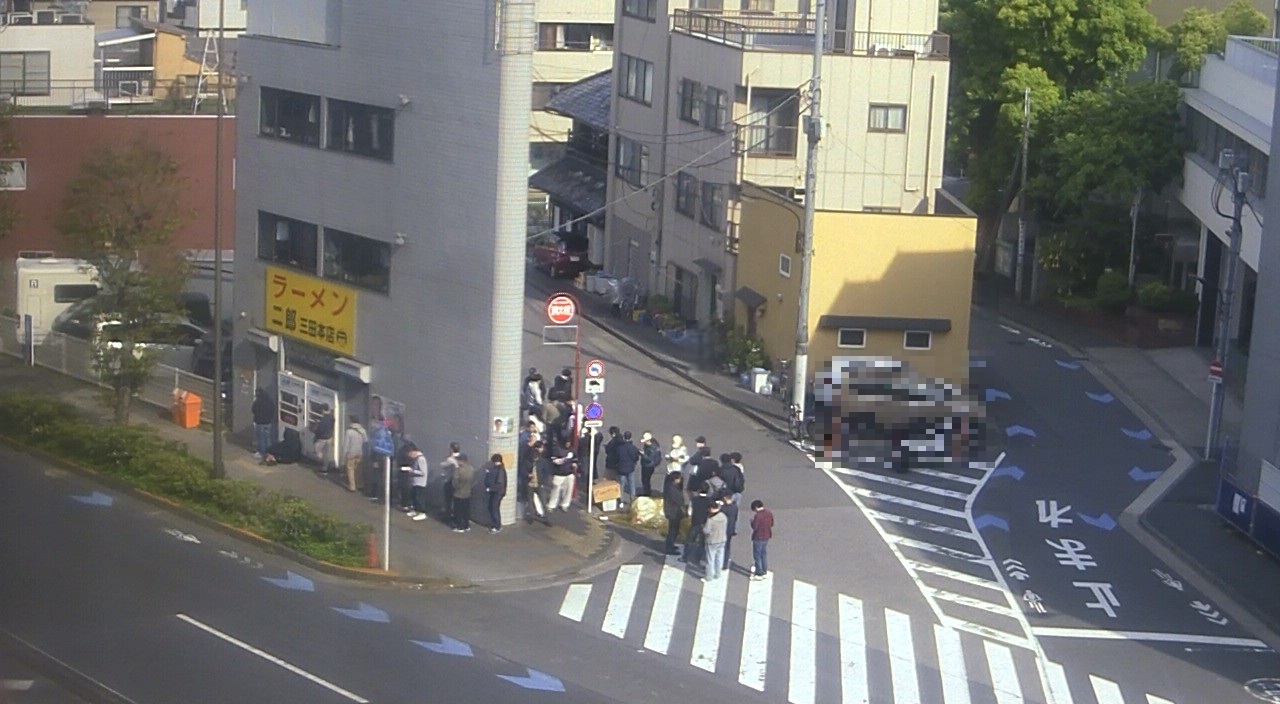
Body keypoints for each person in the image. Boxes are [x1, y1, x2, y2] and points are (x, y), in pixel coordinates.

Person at [662, 471, 687, 556]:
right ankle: (669, 547)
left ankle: (671, 545)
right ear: (675, 479)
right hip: (673, 512)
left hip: (672, 511)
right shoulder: (672, 489)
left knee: (673, 530)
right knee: (673, 530)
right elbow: (679, 500)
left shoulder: (670, 486)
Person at [702, 501, 728, 582]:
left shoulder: (711, 519)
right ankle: (718, 573)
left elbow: (706, 531)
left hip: (712, 541)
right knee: (719, 557)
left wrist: (703, 527)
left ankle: (709, 576)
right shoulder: (723, 516)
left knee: (710, 559)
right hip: (722, 539)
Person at [750, 499, 774, 580]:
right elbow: (772, 524)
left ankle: (759, 573)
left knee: (757, 555)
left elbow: (755, 527)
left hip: (758, 536)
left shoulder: (758, 516)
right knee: (763, 554)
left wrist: (752, 522)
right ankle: (764, 570)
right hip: (766, 536)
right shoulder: (769, 513)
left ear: (756, 507)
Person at [451, 453, 476, 533]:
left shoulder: (459, 470)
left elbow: (455, 482)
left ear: (461, 461)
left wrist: (455, 487)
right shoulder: (471, 468)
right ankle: (466, 525)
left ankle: (459, 527)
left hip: (458, 493)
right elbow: (473, 480)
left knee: (458, 511)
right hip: (467, 492)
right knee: (466, 510)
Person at [614, 430, 640, 507]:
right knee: (631, 484)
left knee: (621, 485)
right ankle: (632, 500)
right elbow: (636, 457)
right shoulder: (633, 448)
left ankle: (621, 501)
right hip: (630, 468)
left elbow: (617, 457)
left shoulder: (620, 448)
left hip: (621, 468)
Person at [342, 415, 367, 492]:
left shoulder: (349, 432)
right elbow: (366, 441)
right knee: (358, 469)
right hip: (360, 452)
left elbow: (346, 444)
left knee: (350, 469)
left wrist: (344, 454)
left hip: (351, 453)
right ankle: (360, 484)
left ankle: (352, 486)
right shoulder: (363, 431)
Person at [546, 447, 576, 512]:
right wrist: (565, 459)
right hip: (558, 474)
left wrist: (574, 463)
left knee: (568, 490)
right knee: (555, 490)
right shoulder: (556, 450)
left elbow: (575, 459)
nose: (568, 444)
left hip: (569, 473)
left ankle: (565, 504)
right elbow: (555, 461)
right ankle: (551, 505)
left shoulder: (572, 450)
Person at [484, 453, 508, 533]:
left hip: (497, 493)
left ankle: (497, 526)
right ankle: (496, 525)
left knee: (494, 508)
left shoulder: (500, 470)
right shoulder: (499, 469)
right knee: (493, 508)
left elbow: (499, 484)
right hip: (497, 492)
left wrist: (490, 488)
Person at [439, 442, 462, 520]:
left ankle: (448, 515)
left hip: (449, 480)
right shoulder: (461, 458)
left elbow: (442, 465)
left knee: (448, 500)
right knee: (456, 501)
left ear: (452, 449)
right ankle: (455, 515)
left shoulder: (450, 459)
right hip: (458, 482)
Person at [251, 388, 275, 460]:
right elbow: (273, 410)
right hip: (268, 423)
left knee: (261, 439)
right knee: (267, 439)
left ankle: (261, 453)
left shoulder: (257, 402)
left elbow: (253, 410)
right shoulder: (269, 401)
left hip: (259, 423)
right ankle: (269, 453)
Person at [311, 406, 335, 474]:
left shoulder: (323, 419)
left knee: (316, 451)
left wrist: (316, 425)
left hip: (322, 439)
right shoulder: (332, 417)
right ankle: (325, 468)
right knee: (327, 454)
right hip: (329, 438)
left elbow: (319, 430)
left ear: (323, 410)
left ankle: (320, 461)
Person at [407, 444, 428, 521]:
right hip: (415, 482)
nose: (409, 456)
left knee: (419, 498)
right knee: (415, 497)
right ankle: (415, 510)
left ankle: (422, 513)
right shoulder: (417, 459)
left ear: (414, 452)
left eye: (410, 453)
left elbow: (423, 472)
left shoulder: (421, 459)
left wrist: (413, 471)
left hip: (420, 483)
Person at [639, 431, 662, 497]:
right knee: (646, 480)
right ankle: (647, 492)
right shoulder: (653, 445)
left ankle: (647, 493)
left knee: (645, 480)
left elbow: (649, 458)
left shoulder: (651, 448)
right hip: (649, 465)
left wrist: (643, 454)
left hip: (648, 466)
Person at [720, 493, 739, 571]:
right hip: (730, 529)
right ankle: (725, 564)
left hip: (723, 529)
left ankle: (720, 563)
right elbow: (736, 518)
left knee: (721, 547)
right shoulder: (735, 507)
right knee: (727, 546)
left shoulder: (724, 508)